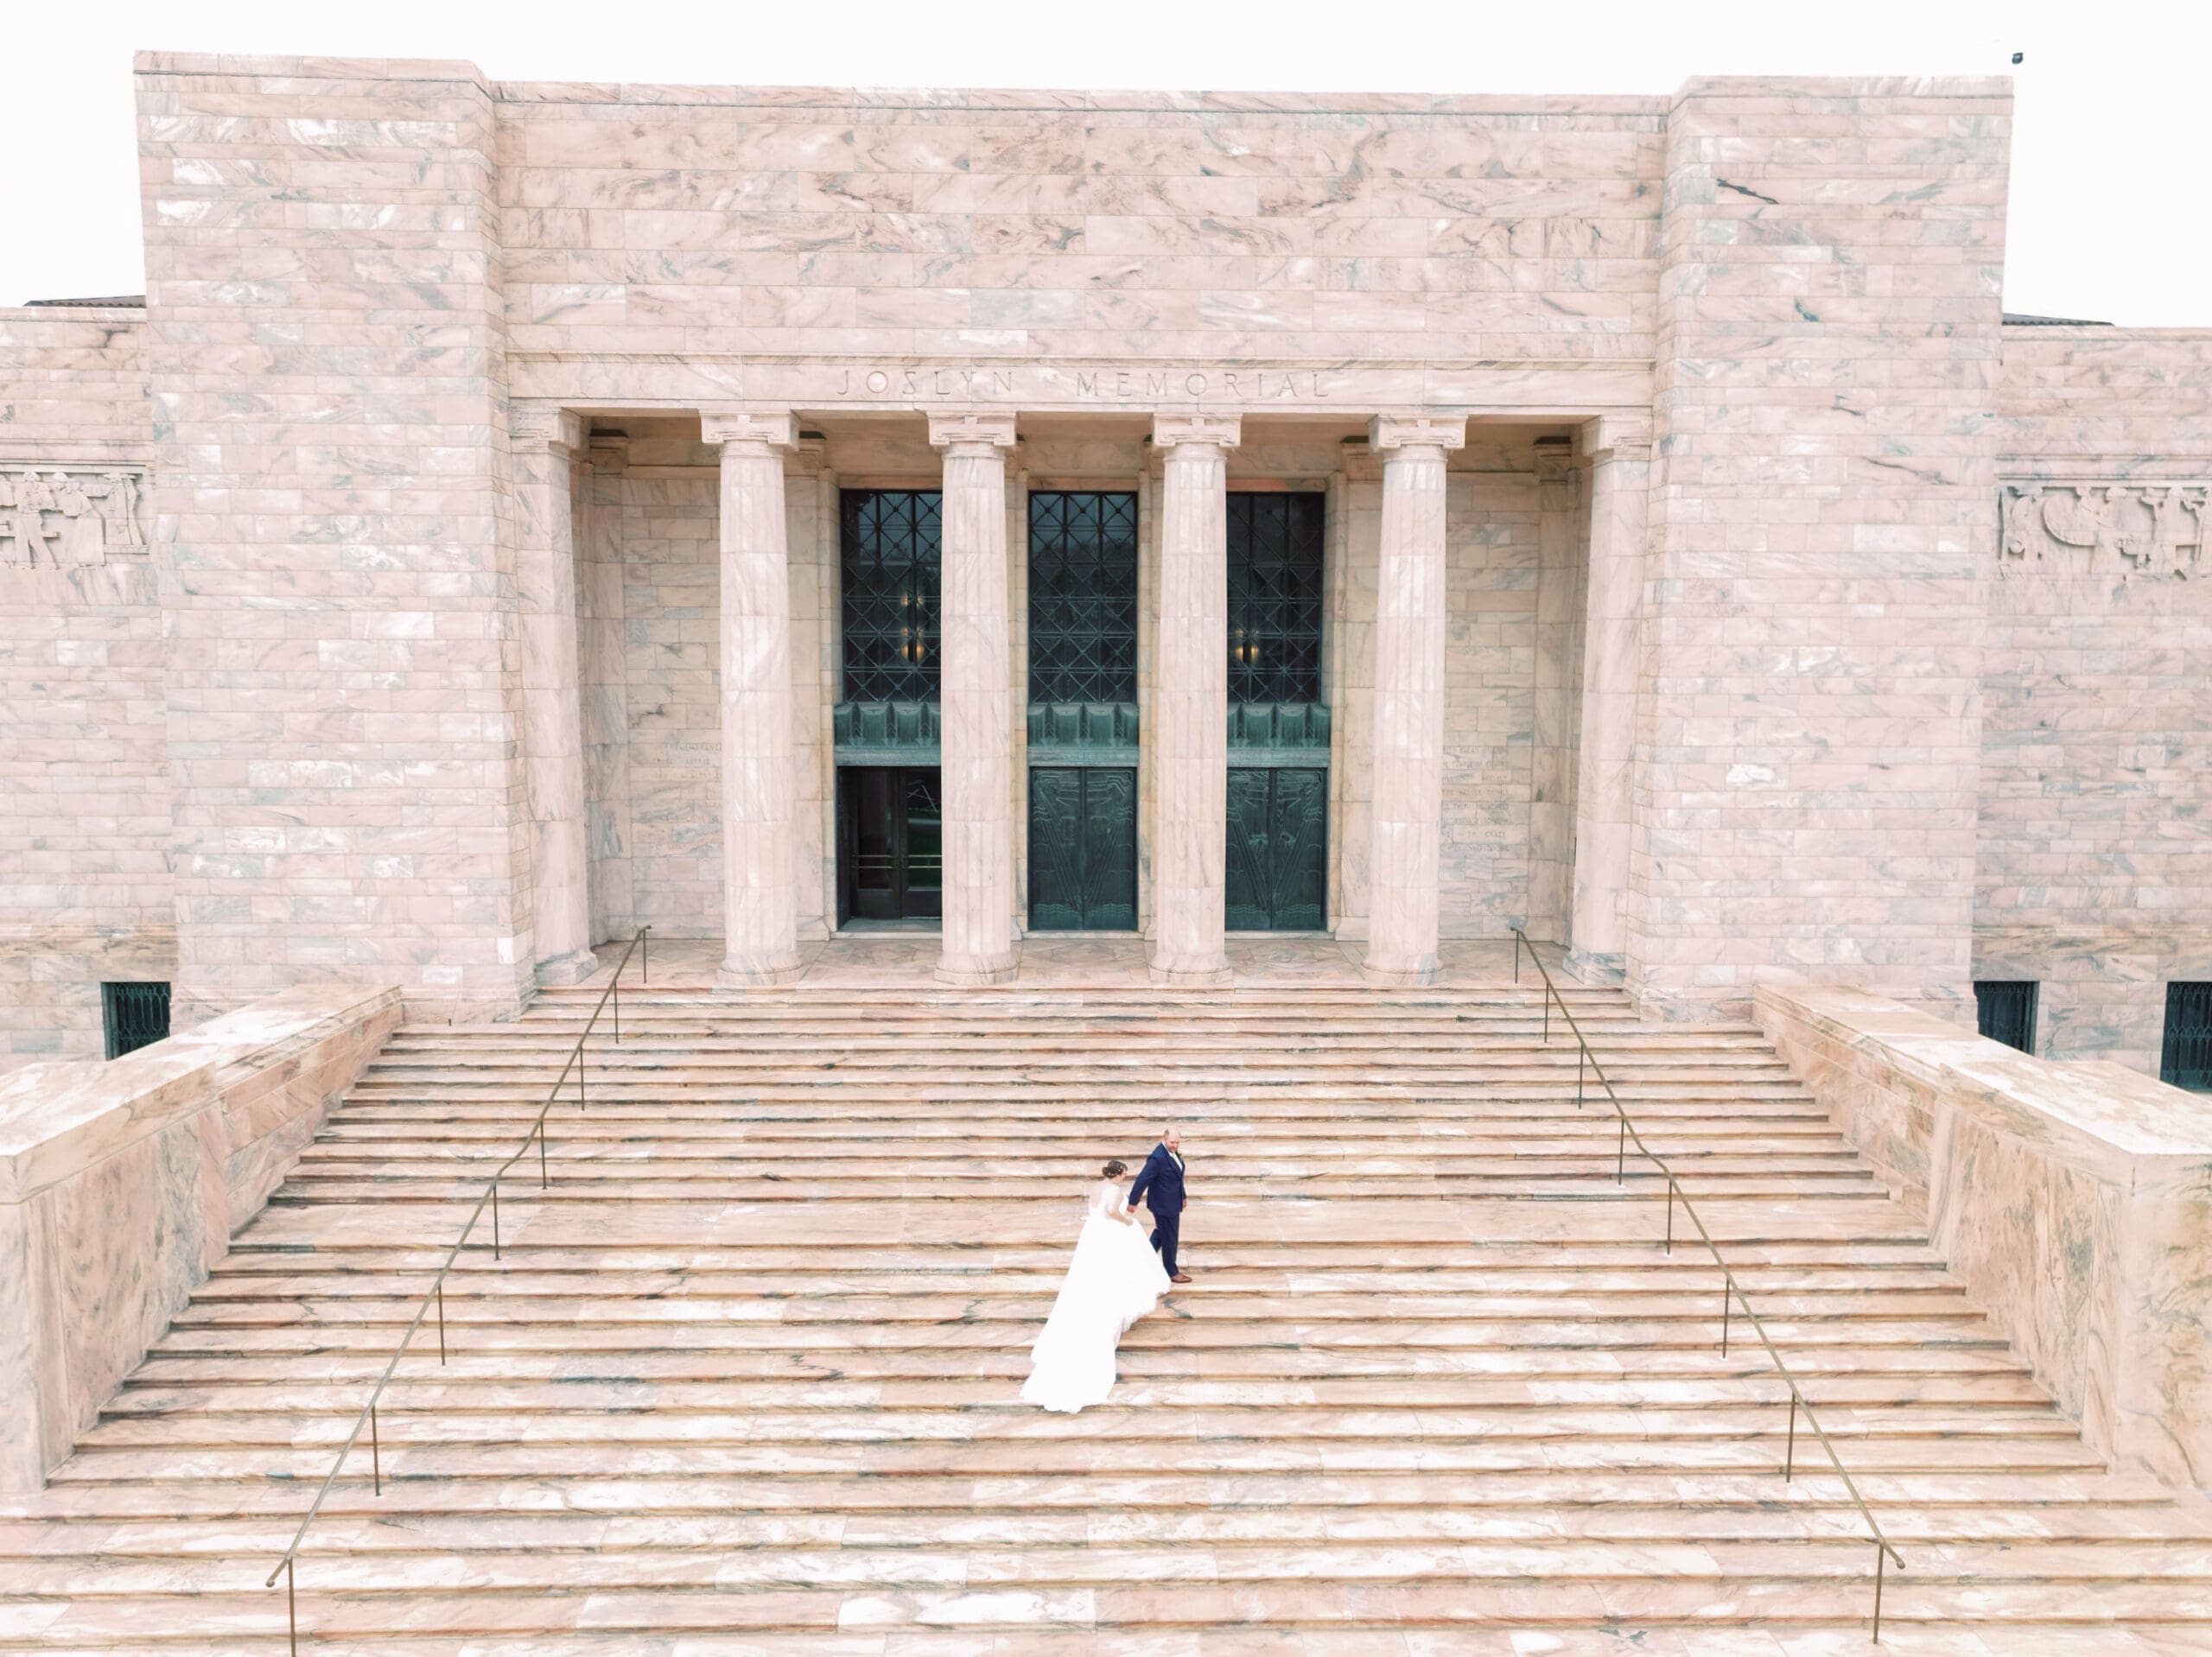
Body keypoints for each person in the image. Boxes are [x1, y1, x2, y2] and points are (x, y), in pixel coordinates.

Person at [1020, 1158, 1171, 1414]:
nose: (1125, 1177)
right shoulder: (1114, 1190)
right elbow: (1112, 1212)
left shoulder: (1096, 1188)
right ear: (1119, 1173)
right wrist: (1127, 1222)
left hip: (1094, 1236)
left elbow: (1095, 1212)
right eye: (1124, 1173)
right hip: (1109, 1234)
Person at [1128, 1126, 1192, 1284]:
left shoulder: (1173, 1153)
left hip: (1173, 1201)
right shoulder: (1157, 1158)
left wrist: (1182, 1195)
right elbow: (1142, 1179)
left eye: (1178, 1143)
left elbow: (1177, 1177)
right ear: (1164, 1139)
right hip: (1163, 1205)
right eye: (1172, 1142)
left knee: (1162, 1233)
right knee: (1170, 1237)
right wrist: (1133, 1202)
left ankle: (1144, 1261)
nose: (1175, 1146)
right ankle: (1171, 1271)